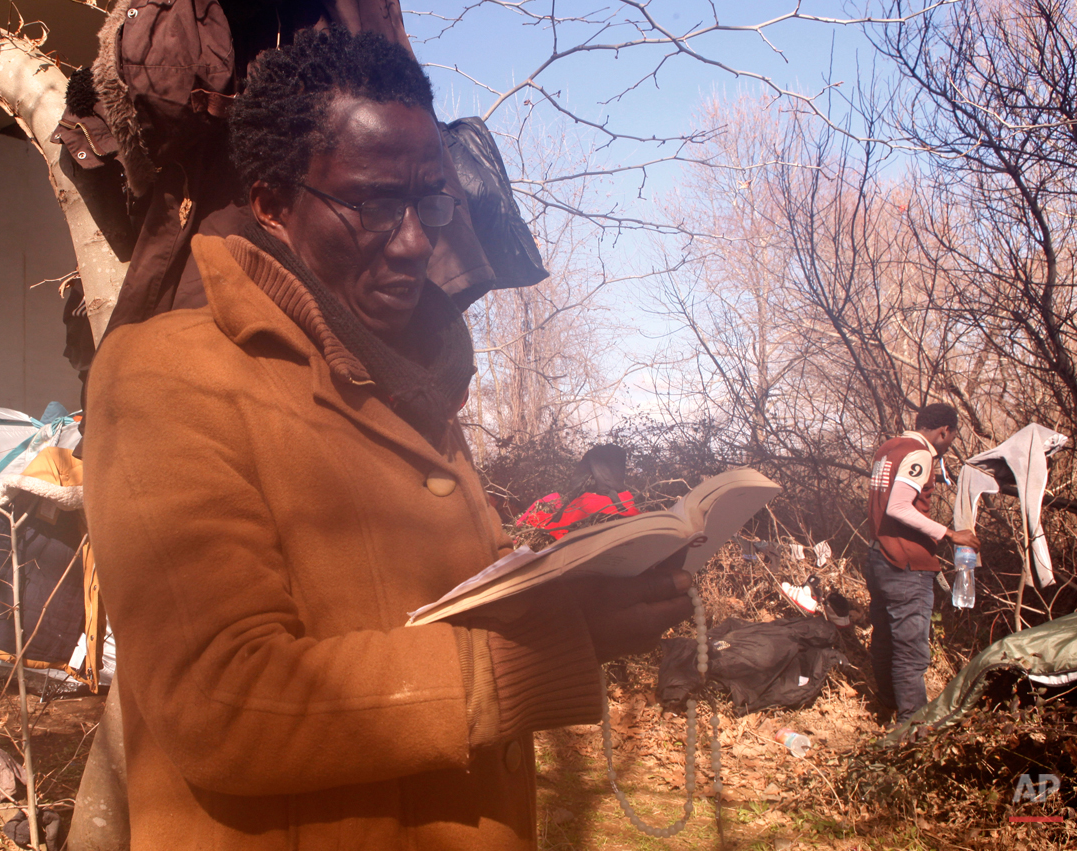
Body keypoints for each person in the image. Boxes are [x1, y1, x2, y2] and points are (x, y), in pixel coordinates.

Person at [82, 28, 693, 850]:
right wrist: (543, 652)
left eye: (430, 203)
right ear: (271, 203)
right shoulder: (164, 374)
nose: (414, 241)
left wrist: (582, 582)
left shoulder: (415, 381)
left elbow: (419, 609)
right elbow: (222, 698)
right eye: (373, 204)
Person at [865, 403, 981, 724]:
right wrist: (949, 534)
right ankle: (912, 729)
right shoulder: (919, 454)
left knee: (885, 637)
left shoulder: (887, 449)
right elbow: (898, 507)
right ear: (944, 431)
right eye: (952, 436)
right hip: (905, 563)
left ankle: (887, 704)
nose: (950, 443)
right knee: (911, 652)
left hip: (877, 555)